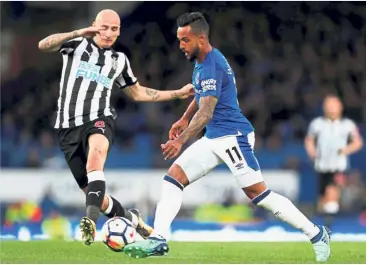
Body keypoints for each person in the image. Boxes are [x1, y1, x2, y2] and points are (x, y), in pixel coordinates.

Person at [123, 12, 331, 262]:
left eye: (184, 40)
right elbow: (200, 95)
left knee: (259, 195)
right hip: (214, 138)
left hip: (234, 137)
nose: (180, 46)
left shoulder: (212, 64)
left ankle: (317, 234)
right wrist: (184, 118)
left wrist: (181, 139)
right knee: (173, 179)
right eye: (179, 40)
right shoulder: (201, 61)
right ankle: (158, 240)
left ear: (200, 39)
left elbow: (208, 111)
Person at [38, 9, 194, 246]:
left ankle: (88, 222)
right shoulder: (77, 45)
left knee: (96, 156)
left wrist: (177, 94)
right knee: (97, 198)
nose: (109, 33)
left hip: (99, 118)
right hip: (67, 128)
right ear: (94, 26)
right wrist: (80, 31)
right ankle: (133, 220)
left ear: (119, 31)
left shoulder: (119, 61)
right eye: (104, 27)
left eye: (114, 29)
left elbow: (138, 92)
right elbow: (43, 45)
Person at [304, 94, 363, 228]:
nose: (331, 108)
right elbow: (309, 140)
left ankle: (328, 225)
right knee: (322, 200)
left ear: (340, 107)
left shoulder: (347, 125)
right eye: (328, 105)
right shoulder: (317, 124)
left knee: (332, 191)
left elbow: (357, 142)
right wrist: (312, 152)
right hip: (321, 166)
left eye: (334, 105)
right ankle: (325, 217)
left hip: (338, 165)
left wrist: (345, 150)